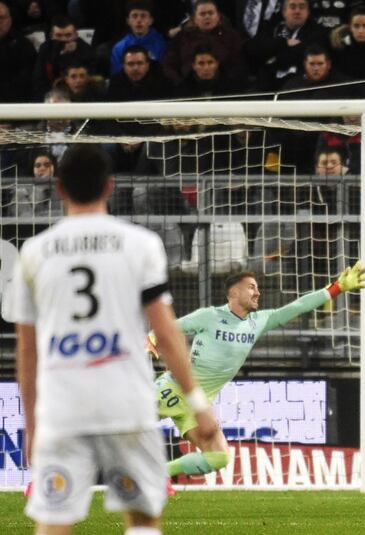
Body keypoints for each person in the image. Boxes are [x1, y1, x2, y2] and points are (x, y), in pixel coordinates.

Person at [6, 144, 216, 534]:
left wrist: (31, 423)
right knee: (142, 518)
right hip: (125, 404)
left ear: (58, 188)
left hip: (63, 407)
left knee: (54, 520)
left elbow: (27, 350)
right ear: (109, 186)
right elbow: (166, 333)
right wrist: (198, 402)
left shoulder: (34, 254)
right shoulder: (139, 244)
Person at [149, 265, 365, 478]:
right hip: (174, 388)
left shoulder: (258, 321)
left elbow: (297, 307)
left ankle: (158, 476)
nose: (258, 292)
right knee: (120, 424)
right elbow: (168, 328)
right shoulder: (210, 316)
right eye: (252, 287)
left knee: (219, 457)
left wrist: (336, 288)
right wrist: (151, 338)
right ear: (234, 292)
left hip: (198, 404)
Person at [110, 0, 168, 76]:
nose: (139, 20)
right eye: (134, 16)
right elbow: (116, 76)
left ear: (151, 20)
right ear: (128, 21)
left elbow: (164, 74)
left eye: (143, 16)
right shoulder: (119, 48)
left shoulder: (162, 45)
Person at [0, 1, 38, 103]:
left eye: (1, 18)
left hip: (15, 102)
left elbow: (28, 77)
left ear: (10, 20)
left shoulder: (23, 45)